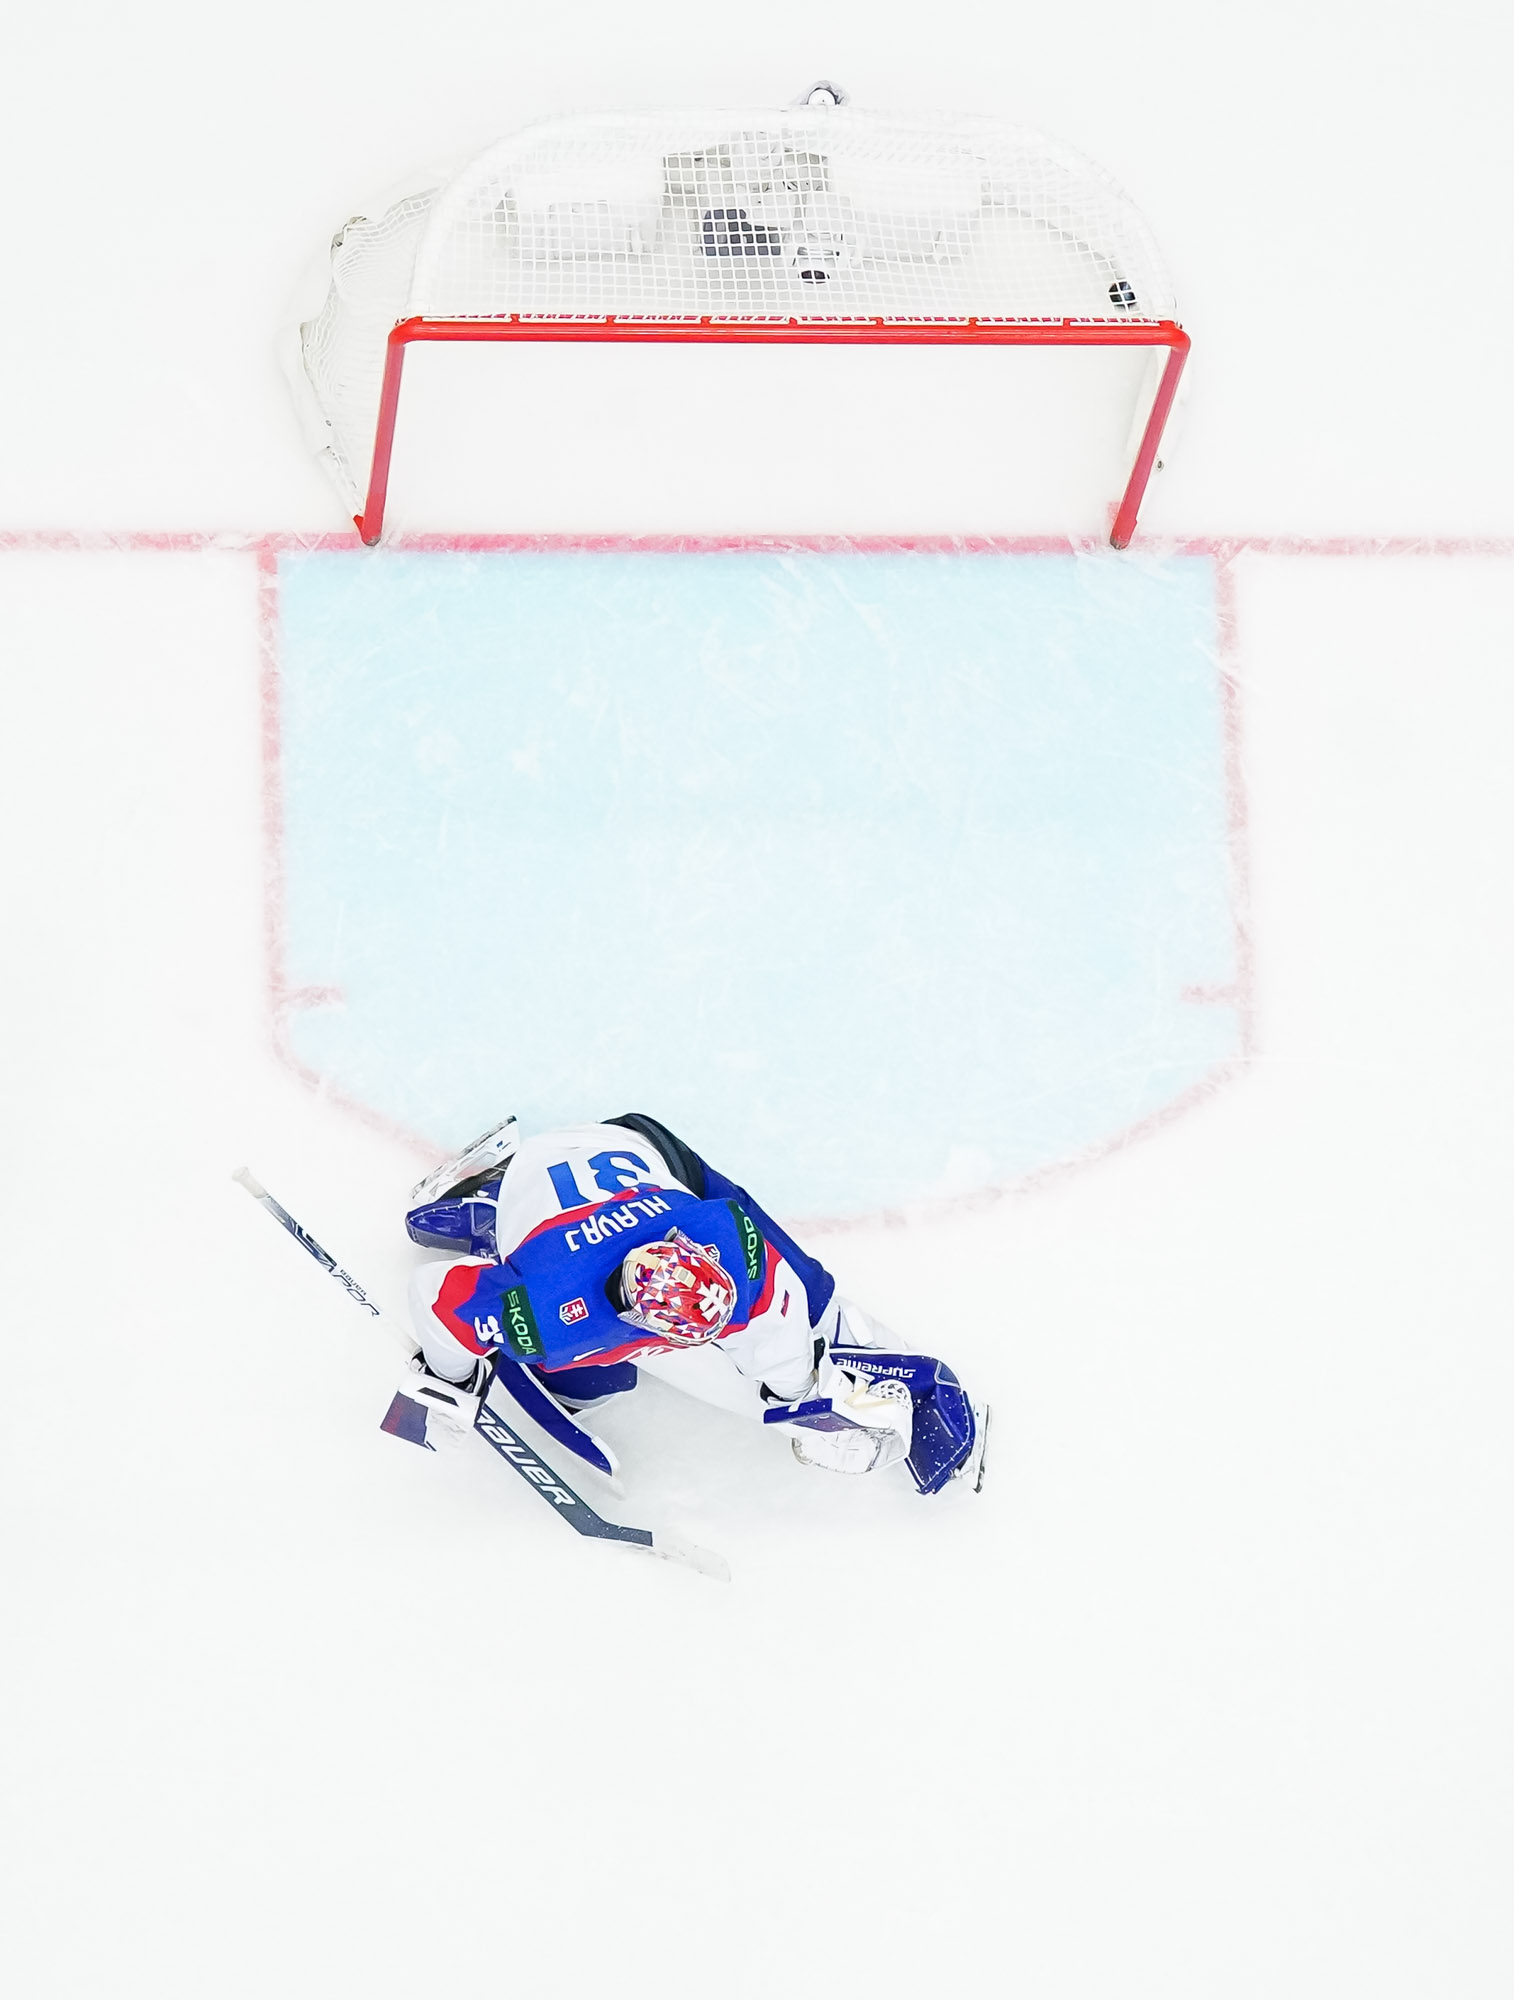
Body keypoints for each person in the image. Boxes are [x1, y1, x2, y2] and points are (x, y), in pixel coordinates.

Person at [396, 1113, 985, 1495]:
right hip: (539, 1186)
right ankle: (492, 1201)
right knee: (585, 1375)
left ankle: (510, 1226)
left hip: (636, 1144)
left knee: (807, 1291)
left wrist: (808, 1399)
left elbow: (782, 1338)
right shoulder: (547, 1306)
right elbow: (436, 1298)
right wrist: (452, 1379)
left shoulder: (731, 1249)